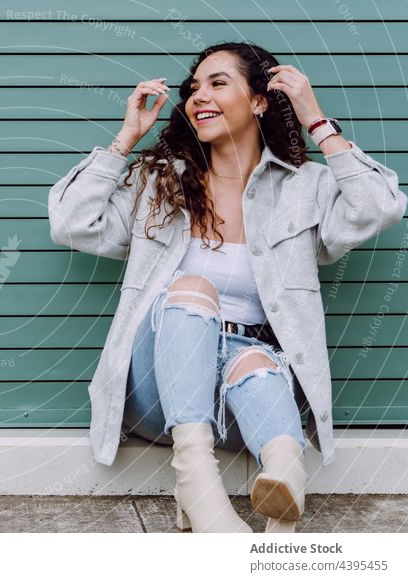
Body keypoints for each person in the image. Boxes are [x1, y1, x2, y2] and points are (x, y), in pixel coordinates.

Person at [47, 42, 407, 533]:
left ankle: (284, 477)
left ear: (259, 101)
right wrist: (125, 139)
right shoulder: (160, 184)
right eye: (194, 87)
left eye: (218, 83)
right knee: (192, 289)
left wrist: (317, 120)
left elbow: (379, 207)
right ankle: (195, 480)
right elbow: (72, 223)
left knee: (255, 358)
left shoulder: (305, 187)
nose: (199, 96)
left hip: (244, 398)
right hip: (159, 394)